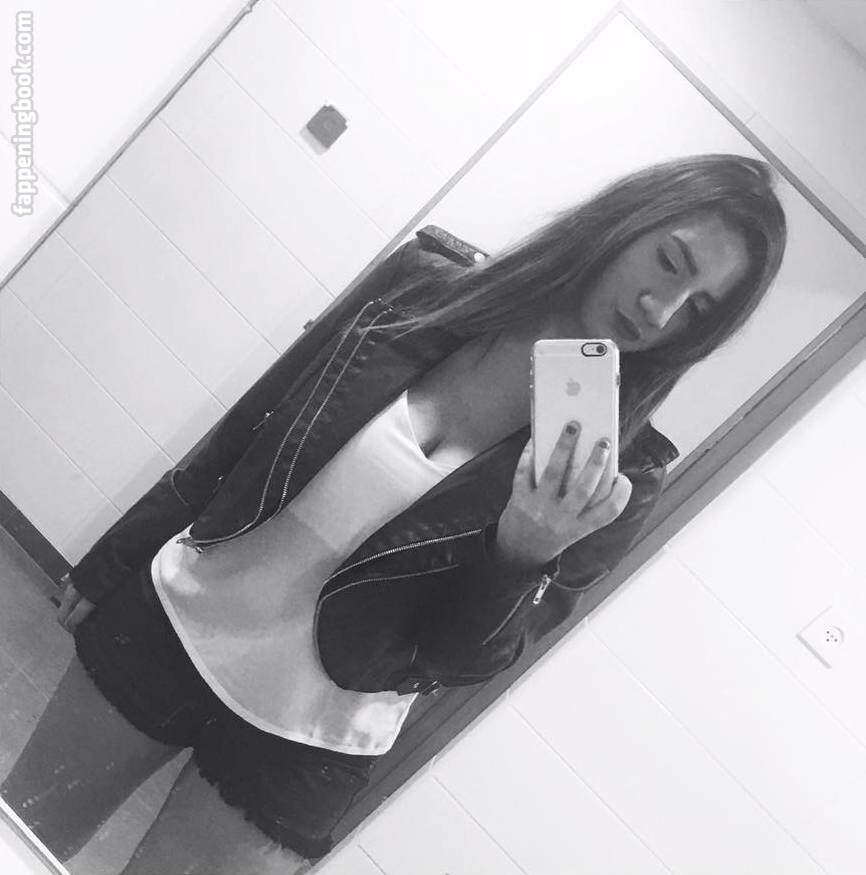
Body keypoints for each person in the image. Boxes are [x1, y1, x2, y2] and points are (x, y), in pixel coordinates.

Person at [1, 153, 787, 875]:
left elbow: (462, 660)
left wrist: (521, 553)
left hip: (316, 733)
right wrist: (119, 554)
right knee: (20, 837)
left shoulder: (622, 472)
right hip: (184, 615)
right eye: (670, 262)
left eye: (698, 309)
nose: (661, 310)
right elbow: (249, 425)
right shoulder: (425, 282)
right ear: (624, 221)